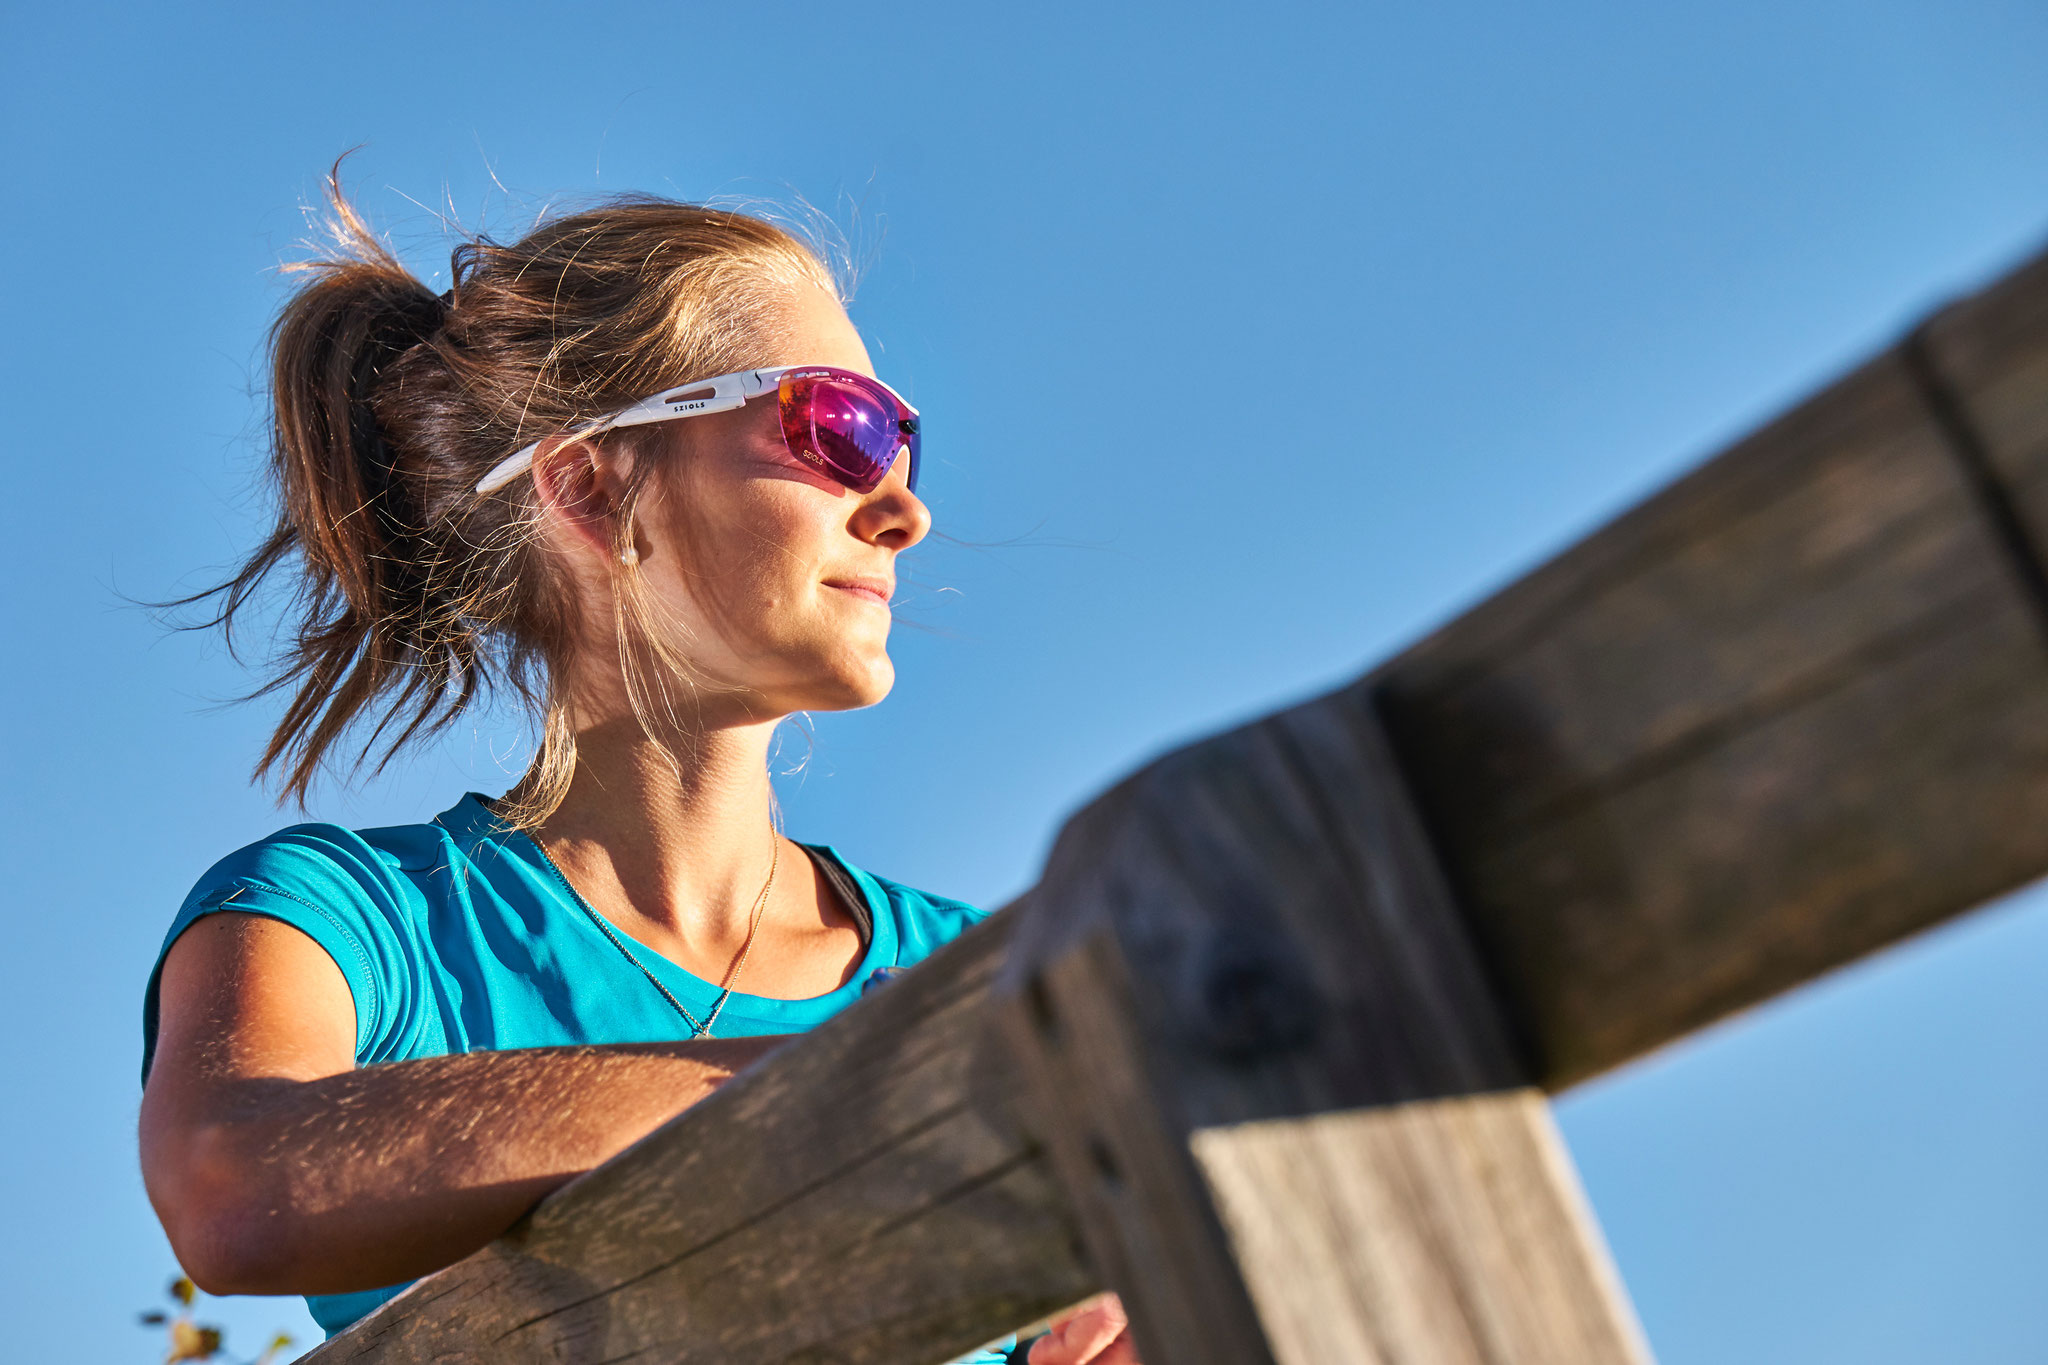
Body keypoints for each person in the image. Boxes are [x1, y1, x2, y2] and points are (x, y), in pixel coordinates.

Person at [137, 168, 1137, 1365]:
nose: (899, 506)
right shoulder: (352, 920)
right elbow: (234, 1186)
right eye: (836, 425)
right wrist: (893, 1087)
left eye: (904, 438)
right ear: (594, 488)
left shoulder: (975, 973)